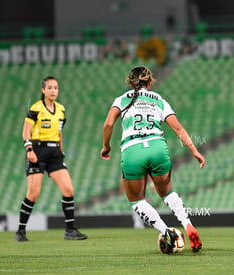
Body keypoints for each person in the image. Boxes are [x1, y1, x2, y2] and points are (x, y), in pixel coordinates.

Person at [100, 66, 205, 253]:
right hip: (158, 147)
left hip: (133, 150)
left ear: (130, 82)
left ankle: (166, 232)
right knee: (167, 192)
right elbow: (178, 128)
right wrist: (194, 151)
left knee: (137, 201)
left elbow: (108, 124)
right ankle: (187, 224)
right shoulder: (158, 99)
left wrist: (106, 146)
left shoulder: (122, 99)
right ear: (149, 83)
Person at [15, 76, 87, 242]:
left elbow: (59, 132)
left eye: (55, 87)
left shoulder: (61, 110)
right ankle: (20, 231)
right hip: (37, 150)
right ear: (43, 90)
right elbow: (26, 131)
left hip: (54, 153)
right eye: (50, 88)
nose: (53, 90)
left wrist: (61, 152)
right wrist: (29, 149)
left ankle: (70, 230)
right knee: (33, 193)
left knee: (68, 190)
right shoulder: (36, 108)